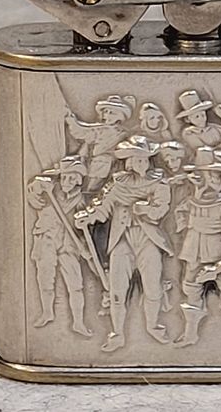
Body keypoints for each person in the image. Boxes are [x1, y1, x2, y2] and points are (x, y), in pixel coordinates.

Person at [74, 135, 172, 352]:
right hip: (123, 239)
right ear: (129, 161)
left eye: (144, 159)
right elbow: (102, 207)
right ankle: (117, 333)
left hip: (148, 239)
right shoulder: (118, 184)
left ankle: (154, 326)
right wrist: (87, 217)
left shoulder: (159, 182)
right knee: (117, 290)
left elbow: (161, 209)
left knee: (153, 288)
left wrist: (146, 209)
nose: (142, 164)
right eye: (137, 159)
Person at [174, 147, 221, 346]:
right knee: (191, 289)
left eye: (213, 174)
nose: (209, 179)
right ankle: (190, 333)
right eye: (203, 174)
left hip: (218, 252)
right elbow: (180, 218)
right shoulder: (190, 202)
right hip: (193, 250)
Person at [26, 156, 92, 337]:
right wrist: (37, 185)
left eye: (71, 178)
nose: (66, 182)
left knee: (76, 284)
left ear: (78, 181)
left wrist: (84, 244)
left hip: (69, 244)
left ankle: (78, 322)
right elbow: (33, 194)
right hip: (46, 239)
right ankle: (47, 313)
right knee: (45, 279)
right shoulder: (48, 190)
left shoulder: (80, 199)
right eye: (64, 177)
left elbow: (86, 226)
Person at [65, 95, 135, 193]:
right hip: (98, 163)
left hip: (105, 163)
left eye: (112, 113)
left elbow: (80, 131)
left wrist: (71, 120)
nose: (107, 115)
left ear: (120, 116)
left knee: (95, 183)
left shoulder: (117, 132)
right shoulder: (102, 129)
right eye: (106, 112)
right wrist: (71, 120)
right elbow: (81, 131)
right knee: (94, 183)